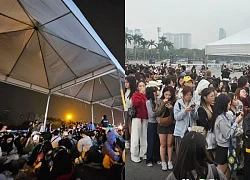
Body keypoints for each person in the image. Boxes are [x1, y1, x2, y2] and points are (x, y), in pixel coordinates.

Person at [210, 94, 243, 179]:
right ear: (223, 105)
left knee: (228, 169)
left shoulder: (224, 114)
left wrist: (236, 115)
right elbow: (228, 135)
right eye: (228, 104)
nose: (229, 105)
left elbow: (229, 121)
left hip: (228, 146)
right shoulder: (220, 118)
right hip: (223, 148)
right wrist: (236, 123)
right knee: (220, 172)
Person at [155, 86, 175, 171]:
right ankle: (163, 162)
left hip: (170, 123)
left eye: (169, 95)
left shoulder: (175, 101)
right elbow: (157, 113)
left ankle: (170, 161)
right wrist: (163, 103)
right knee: (162, 144)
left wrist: (171, 108)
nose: (167, 96)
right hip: (161, 123)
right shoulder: (159, 101)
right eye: (166, 94)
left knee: (170, 144)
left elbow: (175, 114)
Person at [174, 86, 198, 154]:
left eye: (190, 95)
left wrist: (193, 111)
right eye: (187, 95)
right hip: (180, 130)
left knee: (190, 151)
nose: (189, 96)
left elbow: (196, 117)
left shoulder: (193, 103)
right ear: (183, 95)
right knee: (180, 151)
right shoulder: (178, 103)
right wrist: (185, 111)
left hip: (191, 130)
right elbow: (176, 117)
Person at [130, 80, 148, 163]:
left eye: (143, 85)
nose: (141, 87)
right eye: (140, 86)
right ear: (137, 87)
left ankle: (143, 153)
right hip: (137, 118)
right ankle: (134, 154)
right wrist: (141, 95)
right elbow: (136, 103)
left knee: (144, 136)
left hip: (145, 118)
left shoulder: (146, 95)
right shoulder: (135, 95)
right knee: (135, 137)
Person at [145, 86, 161, 167]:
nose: (156, 92)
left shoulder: (158, 101)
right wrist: (158, 111)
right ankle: (149, 159)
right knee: (151, 142)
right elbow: (151, 114)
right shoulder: (148, 102)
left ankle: (157, 158)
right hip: (151, 124)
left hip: (158, 123)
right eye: (155, 91)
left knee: (157, 142)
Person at [124, 76, 137, 149]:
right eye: (125, 82)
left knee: (131, 127)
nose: (125, 84)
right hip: (126, 111)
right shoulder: (125, 91)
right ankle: (127, 141)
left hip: (131, 111)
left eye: (127, 82)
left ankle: (132, 141)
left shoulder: (134, 92)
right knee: (127, 127)